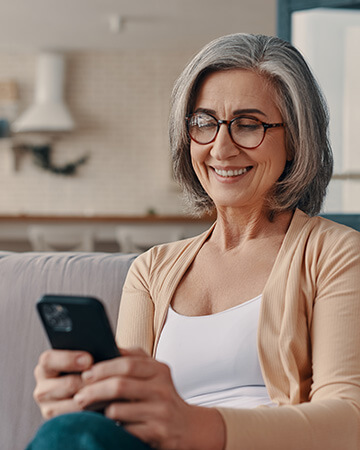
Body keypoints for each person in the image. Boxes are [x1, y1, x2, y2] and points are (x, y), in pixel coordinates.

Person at [28, 33, 360, 450]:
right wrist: (83, 401)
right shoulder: (151, 270)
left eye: (249, 124)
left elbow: (350, 421)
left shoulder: (335, 253)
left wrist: (196, 427)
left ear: (294, 139)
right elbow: (122, 416)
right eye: (203, 123)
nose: (221, 148)